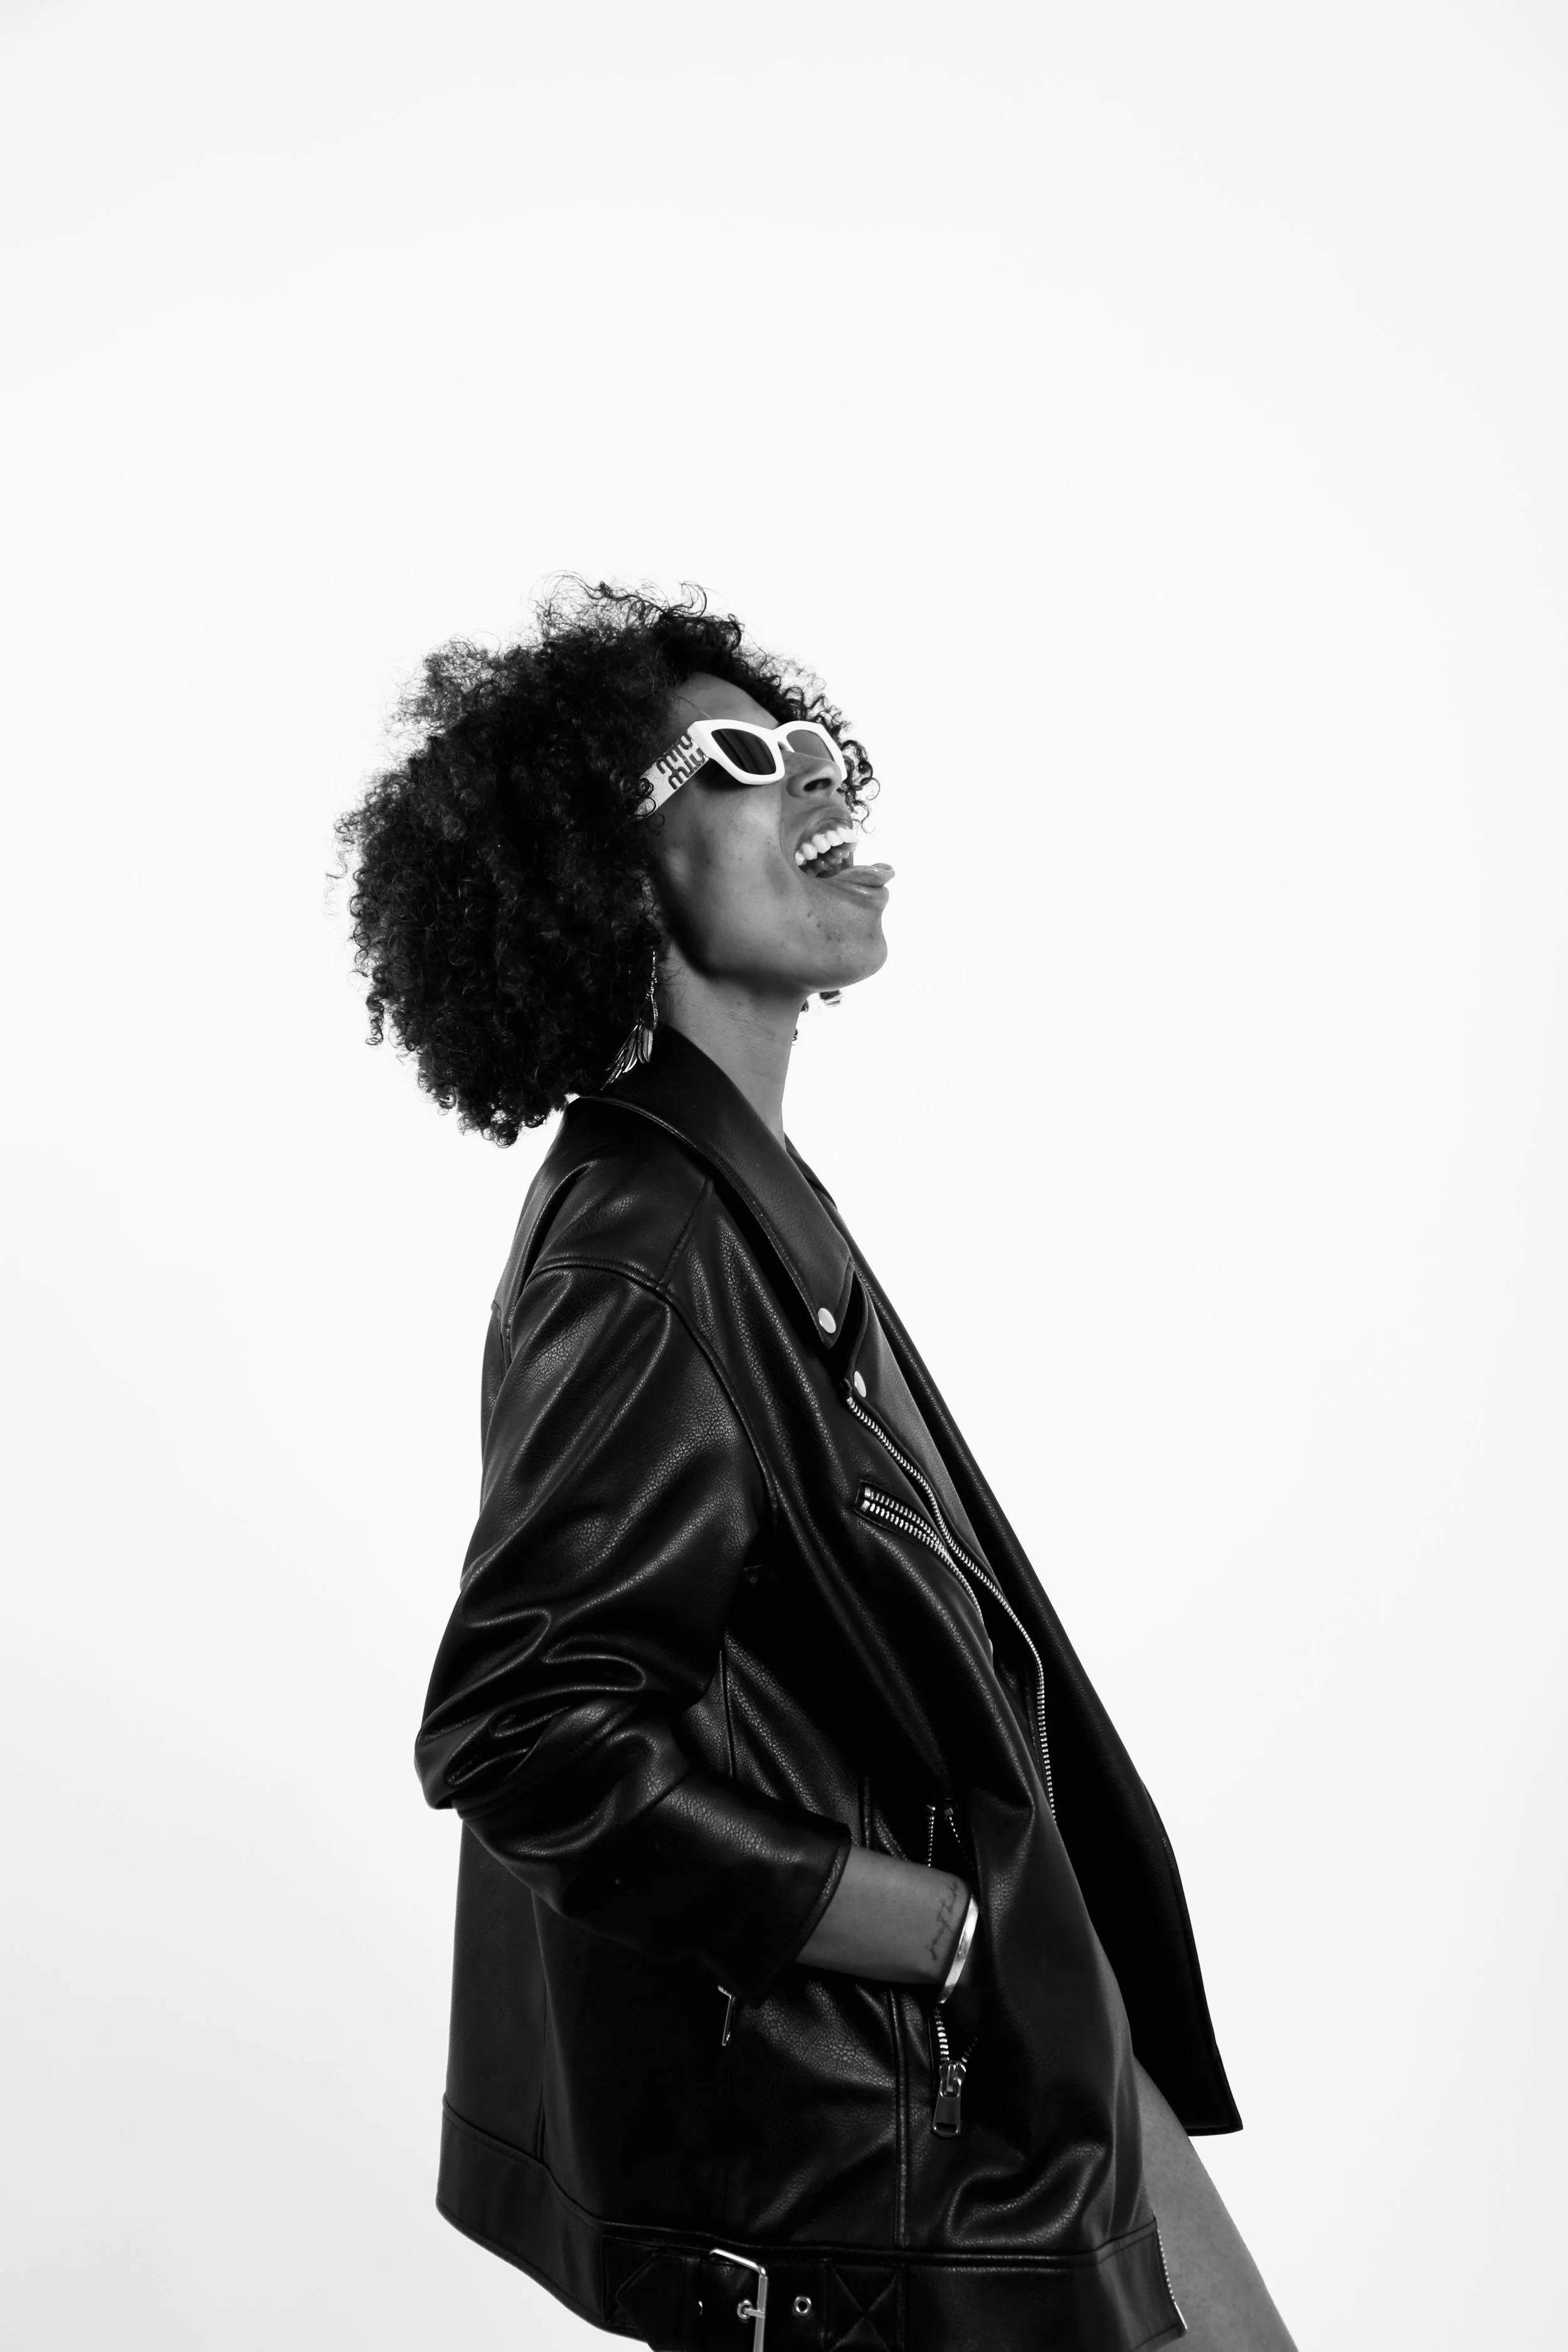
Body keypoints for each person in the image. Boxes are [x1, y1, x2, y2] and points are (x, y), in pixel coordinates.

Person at [336, 581, 1296, 2351]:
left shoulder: (736, 1202)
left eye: (824, 754)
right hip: (888, 2130)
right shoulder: (647, 1237)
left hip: (996, 2058)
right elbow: (525, 1728)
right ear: (598, 868)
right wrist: (933, 1931)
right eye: (740, 759)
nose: (818, 786)